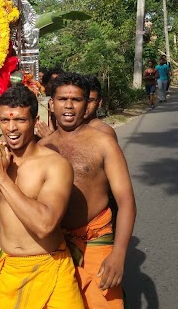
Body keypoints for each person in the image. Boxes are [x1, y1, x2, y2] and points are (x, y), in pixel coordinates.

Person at [0, 85, 83, 308]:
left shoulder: (55, 165)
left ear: (34, 120)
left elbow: (45, 225)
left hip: (50, 267)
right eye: (5, 120)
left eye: (20, 120)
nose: (11, 128)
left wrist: (2, 178)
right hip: (9, 269)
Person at [39, 72, 136, 309]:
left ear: (87, 105)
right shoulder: (42, 147)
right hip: (56, 245)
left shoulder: (103, 142)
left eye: (76, 100)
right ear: (51, 105)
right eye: (62, 99)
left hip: (96, 240)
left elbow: (126, 202)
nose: (69, 105)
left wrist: (119, 254)